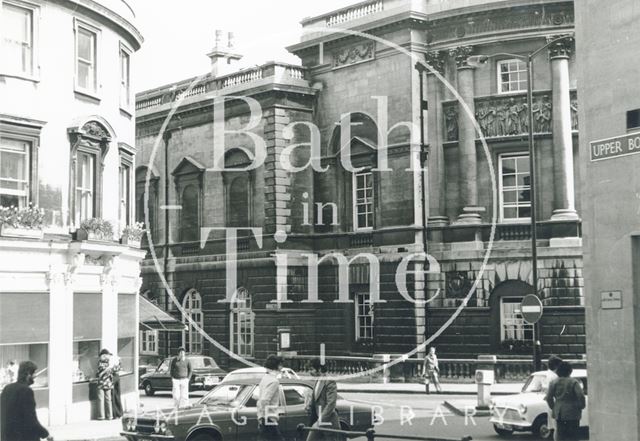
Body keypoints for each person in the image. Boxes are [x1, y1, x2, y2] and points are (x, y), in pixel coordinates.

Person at [0, 361, 53, 441]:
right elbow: (31, 419)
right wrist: (46, 434)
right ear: (28, 374)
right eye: (34, 373)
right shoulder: (26, 391)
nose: (35, 376)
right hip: (23, 437)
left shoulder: (7, 388)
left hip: (7, 437)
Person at [545, 361, 585, 441]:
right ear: (570, 371)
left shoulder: (553, 382)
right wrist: (581, 406)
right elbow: (580, 395)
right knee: (573, 436)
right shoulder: (574, 382)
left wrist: (554, 407)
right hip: (573, 412)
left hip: (559, 413)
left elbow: (549, 397)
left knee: (561, 435)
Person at [306, 358, 339, 441]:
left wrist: (320, 421)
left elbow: (331, 403)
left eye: (311, 369)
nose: (310, 372)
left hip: (328, 422)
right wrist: (309, 406)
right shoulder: (317, 380)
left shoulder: (329, 381)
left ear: (319, 369)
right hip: (318, 420)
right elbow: (316, 400)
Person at [257, 355, 285, 441]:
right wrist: (266, 417)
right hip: (269, 419)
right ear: (276, 366)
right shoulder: (274, 381)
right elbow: (265, 400)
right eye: (280, 365)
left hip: (264, 418)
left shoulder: (265, 378)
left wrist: (260, 417)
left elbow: (260, 399)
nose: (282, 367)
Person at [545, 355, 563, 440]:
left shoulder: (548, 374)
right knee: (557, 428)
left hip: (551, 403)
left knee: (554, 427)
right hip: (556, 403)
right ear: (556, 366)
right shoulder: (555, 377)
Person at [96, 348, 115, 420]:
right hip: (108, 383)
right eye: (107, 355)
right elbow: (112, 370)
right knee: (108, 399)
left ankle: (101, 416)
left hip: (101, 382)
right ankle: (109, 415)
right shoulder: (108, 363)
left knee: (101, 399)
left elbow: (101, 372)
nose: (108, 357)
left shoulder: (100, 362)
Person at [109, 354, 123, 418]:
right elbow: (119, 366)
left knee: (113, 396)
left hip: (112, 377)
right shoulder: (117, 359)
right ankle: (120, 413)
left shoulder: (109, 360)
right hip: (117, 376)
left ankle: (115, 413)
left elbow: (110, 369)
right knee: (117, 396)